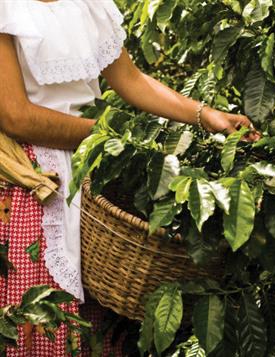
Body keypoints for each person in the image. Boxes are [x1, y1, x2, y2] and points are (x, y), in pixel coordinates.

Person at [0, 0, 260, 355]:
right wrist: (113, 134)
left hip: (92, 176)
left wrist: (205, 115)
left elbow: (131, 79)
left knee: (104, 309)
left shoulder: (88, 4)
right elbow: (17, 117)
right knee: (38, 313)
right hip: (33, 184)